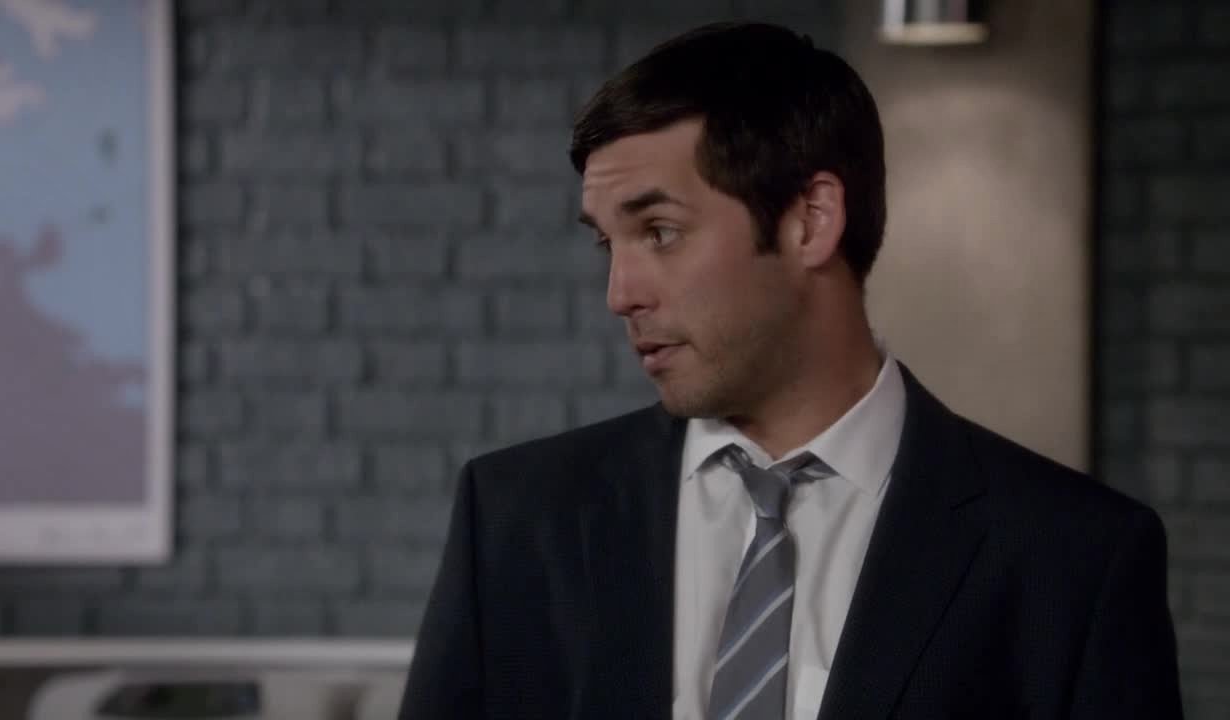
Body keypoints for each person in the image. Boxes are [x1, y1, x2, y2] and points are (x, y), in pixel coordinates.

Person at [397, 21, 1182, 720]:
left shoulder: (1072, 557)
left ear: (811, 220)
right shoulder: (517, 522)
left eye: (660, 232)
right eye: (608, 243)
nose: (619, 293)